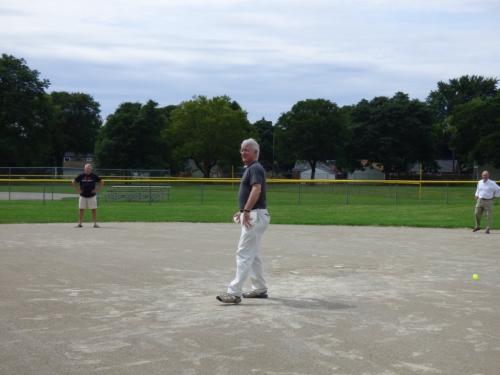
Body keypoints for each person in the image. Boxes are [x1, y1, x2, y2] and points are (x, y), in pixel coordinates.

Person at [217, 139, 271, 304]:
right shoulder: (252, 168)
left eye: (246, 150)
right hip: (253, 214)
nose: (243, 152)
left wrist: (246, 210)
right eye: (241, 150)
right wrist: (243, 210)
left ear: (255, 152)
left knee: (243, 253)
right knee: (252, 254)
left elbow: (256, 189)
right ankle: (260, 288)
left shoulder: (255, 168)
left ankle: (234, 293)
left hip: (254, 215)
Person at [72, 164, 104, 228]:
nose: (88, 169)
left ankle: (95, 224)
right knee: (81, 209)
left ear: (91, 169)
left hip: (92, 196)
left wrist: (97, 189)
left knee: (93, 209)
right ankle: (80, 223)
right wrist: (77, 189)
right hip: (82, 195)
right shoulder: (81, 175)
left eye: (89, 168)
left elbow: (102, 182)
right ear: (84, 169)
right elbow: (73, 181)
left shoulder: (94, 176)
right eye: (86, 168)